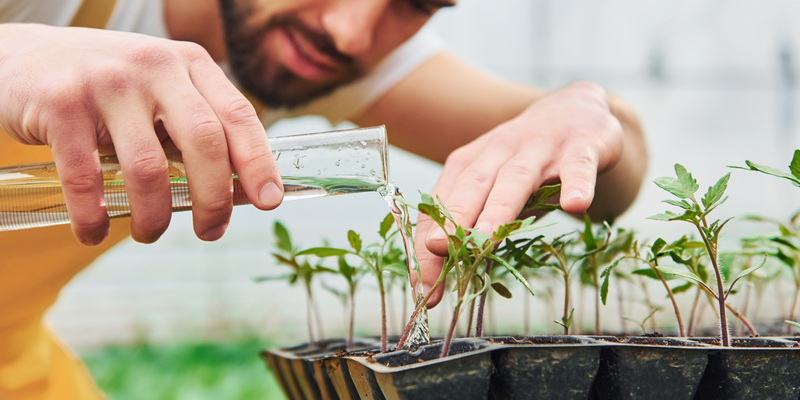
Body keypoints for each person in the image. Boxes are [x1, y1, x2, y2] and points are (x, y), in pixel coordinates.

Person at [0, 0, 647, 398]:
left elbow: (614, 170)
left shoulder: (309, 47)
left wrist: (585, 112)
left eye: (418, 2)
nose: (351, 31)